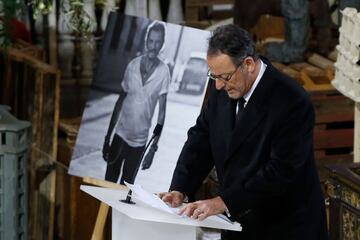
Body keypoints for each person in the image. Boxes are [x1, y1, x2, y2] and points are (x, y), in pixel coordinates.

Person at [159, 24, 329, 240]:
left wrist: (224, 201)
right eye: (214, 76)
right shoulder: (225, 86)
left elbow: (281, 172)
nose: (218, 86)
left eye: (224, 77)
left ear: (248, 64)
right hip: (239, 223)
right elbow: (201, 139)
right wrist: (180, 188)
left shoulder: (292, 100)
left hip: (285, 227)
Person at [103, 21, 170, 185]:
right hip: (120, 136)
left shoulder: (164, 72)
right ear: (146, 41)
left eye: (158, 42)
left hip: (139, 144)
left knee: (125, 192)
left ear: (162, 44)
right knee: (107, 186)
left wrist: (153, 148)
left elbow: (161, 115)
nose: (154, 46)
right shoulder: (132, 66)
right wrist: (107, 138)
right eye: (151, 41)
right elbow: (119, 103)